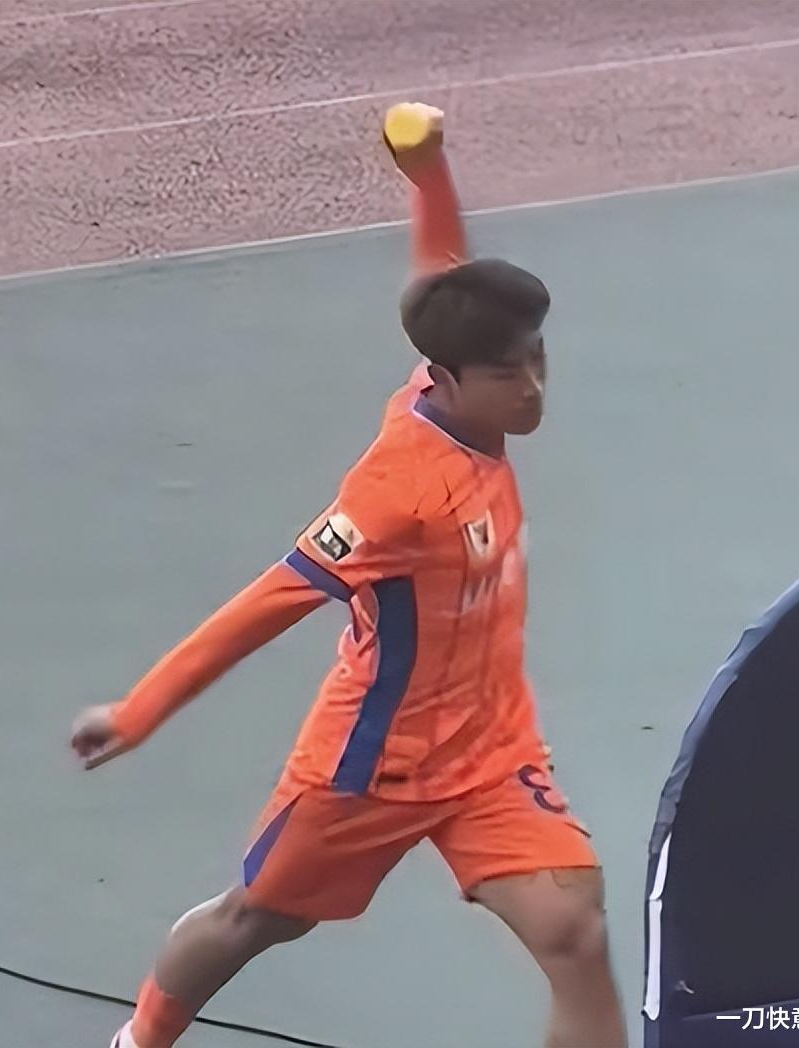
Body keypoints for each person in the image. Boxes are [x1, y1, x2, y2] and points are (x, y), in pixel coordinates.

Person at [72, 103, 627, 1048]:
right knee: (256, 919)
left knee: (574, 933)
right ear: (445, 377)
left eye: (538, 359)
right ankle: (140, 1039)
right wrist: (139, 711)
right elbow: (268, 603)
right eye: (508, 374)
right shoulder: (396, 497)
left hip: (491, 744)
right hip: (373, 762)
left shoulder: (457, 372)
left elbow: (440, 268)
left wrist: (427, 170)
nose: (533, 388)